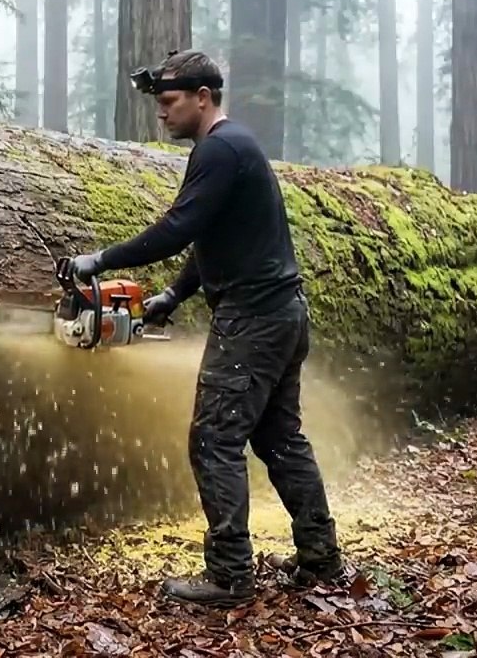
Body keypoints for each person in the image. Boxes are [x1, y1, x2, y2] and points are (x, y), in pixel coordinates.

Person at [67, 50, 343, 607]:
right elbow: (210, 237)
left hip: (254, 321)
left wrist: (101, 259)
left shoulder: (219, 149)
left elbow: (179, 227)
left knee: (214, 439)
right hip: (282, 313)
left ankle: (230, 576)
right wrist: (172, 295)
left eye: (169, 103)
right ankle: (321, 556)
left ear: (203, 97)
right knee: (279, 438)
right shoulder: (232, 146)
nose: (161, 115)